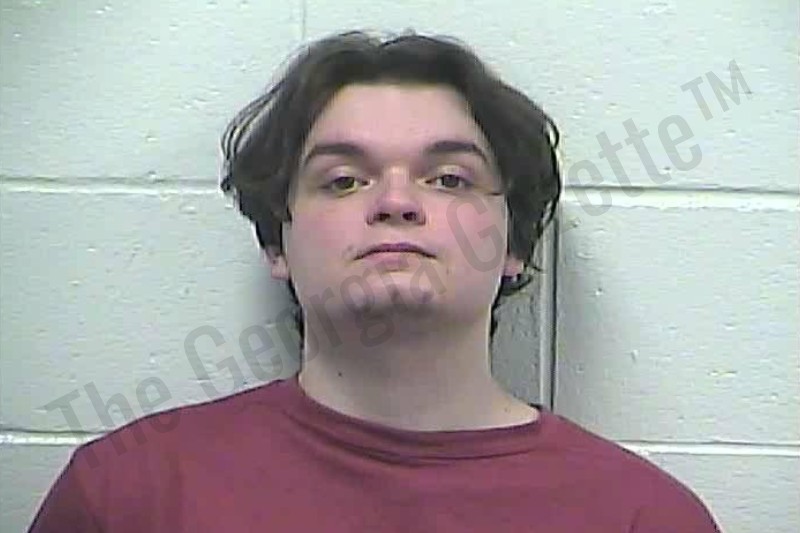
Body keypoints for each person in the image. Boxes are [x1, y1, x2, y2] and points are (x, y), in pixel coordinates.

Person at [28, 30, 721, 532]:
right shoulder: (128, 496)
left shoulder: (642, 517)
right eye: (343, 180)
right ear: (276, 240)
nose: (395, 201)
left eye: (448, 178)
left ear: (513, 243)